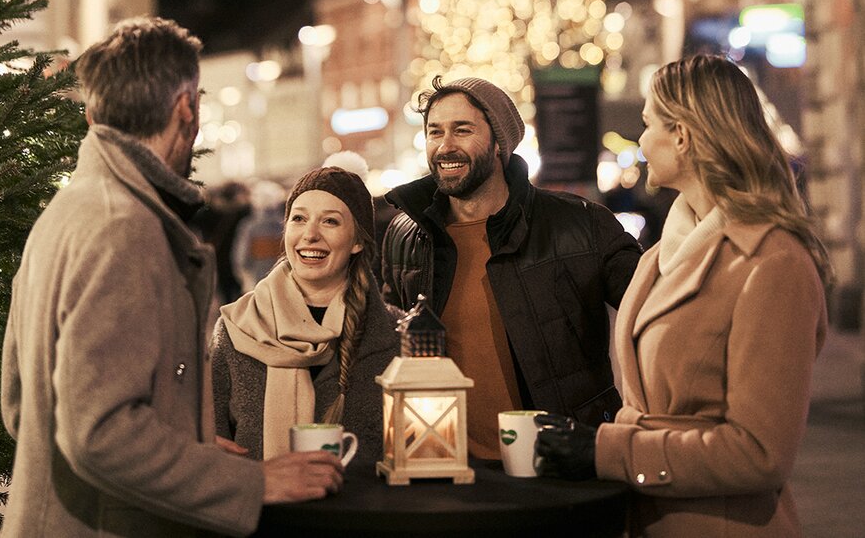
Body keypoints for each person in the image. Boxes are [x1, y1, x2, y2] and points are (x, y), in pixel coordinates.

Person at [0, 18, 341, 538]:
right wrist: (248, 483)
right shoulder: (123, 227)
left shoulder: (68, 211)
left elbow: (22, 404)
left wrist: (183, 449)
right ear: (186, 108)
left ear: (93, 114)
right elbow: (99, 432)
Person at [535, 54, 831, 537]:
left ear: (682, 136)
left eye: (647, 123)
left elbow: (760, 454)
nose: (641, 140)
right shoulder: (659, 256)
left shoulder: (773, 262)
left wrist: (606, 452)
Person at [380, 76, 642, 459]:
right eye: (435, 132)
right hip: (442, 465)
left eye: (462, 130)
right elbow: (388, 345)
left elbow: (658, 315)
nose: (445, 146)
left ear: (499, 143)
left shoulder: (580, 224)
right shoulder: (406, 234)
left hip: (560, 462)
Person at [213, 166, 401, 464]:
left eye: (330, 221)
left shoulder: (396, 336)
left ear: (357, 241)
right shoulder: (235, 328)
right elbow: (214, 447)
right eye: (299, 219)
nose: (310, 235)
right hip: (261, 496)